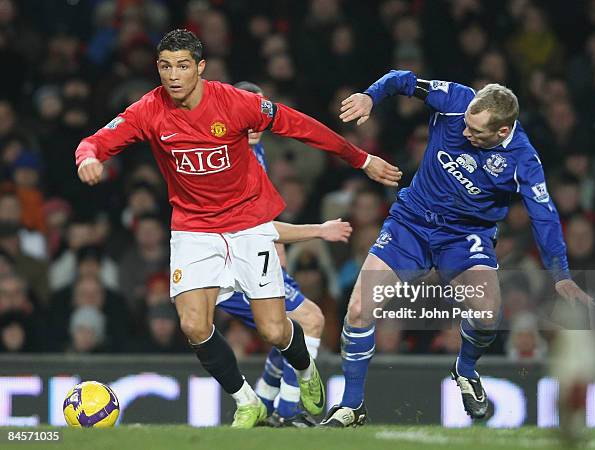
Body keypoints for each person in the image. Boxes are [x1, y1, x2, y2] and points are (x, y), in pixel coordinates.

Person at [75, 29, 401, 428]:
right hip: (193, 228)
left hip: (248, 225)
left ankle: (304, 368)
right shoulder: (149, 110)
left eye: (182, 66)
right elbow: (96, 141)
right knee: (194, 325)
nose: (173, 76)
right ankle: (248, 401)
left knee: (275, 330)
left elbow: (303, 127)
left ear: (200, 68)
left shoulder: (236, 103)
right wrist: (87, 158)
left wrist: (361, 159)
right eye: (164, 67)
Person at [320, 70, 593, 427]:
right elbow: (402, 80)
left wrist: (561, 276)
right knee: (358, 309)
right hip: (411, 224)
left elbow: (545, 217)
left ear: (503, 132)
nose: (464, 133)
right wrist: (371, 96)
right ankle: (352, 406)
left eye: (475, 132)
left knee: (487, 314)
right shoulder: (456, 100)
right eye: (466, 124)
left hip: (465, 236)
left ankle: (465, 371)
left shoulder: (523, 160)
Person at [213, 80, 331, 428]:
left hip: (255, 256)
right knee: (308, 322)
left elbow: (258, 213)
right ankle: (291, 410)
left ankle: (264, 404)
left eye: (260, 112)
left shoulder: (257, 151)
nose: (254, 121)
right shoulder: (231, 157)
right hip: (232, 264)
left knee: (285, 331)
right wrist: (320, 230)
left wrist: (275, 245)